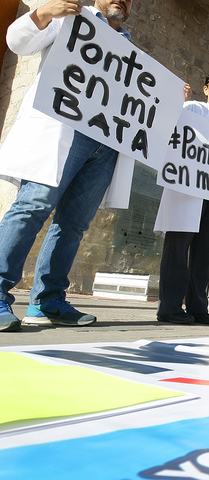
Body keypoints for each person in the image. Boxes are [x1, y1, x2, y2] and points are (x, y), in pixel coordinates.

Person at [0, 0, 136, 333]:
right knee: (33, 206)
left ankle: (48, 300)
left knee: (75, 223)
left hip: (104, 144)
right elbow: (18, 42)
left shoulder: (131, 49)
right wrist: (44, 13)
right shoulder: (72, 20)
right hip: (64, 130)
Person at [153, 72, 209, 325]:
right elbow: (169, 125)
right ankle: (169, 307)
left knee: (204, 251)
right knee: (178, 247)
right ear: (206, 89)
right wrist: (176, 101)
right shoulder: (192, 108)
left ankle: (198, 306)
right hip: (189, 187)